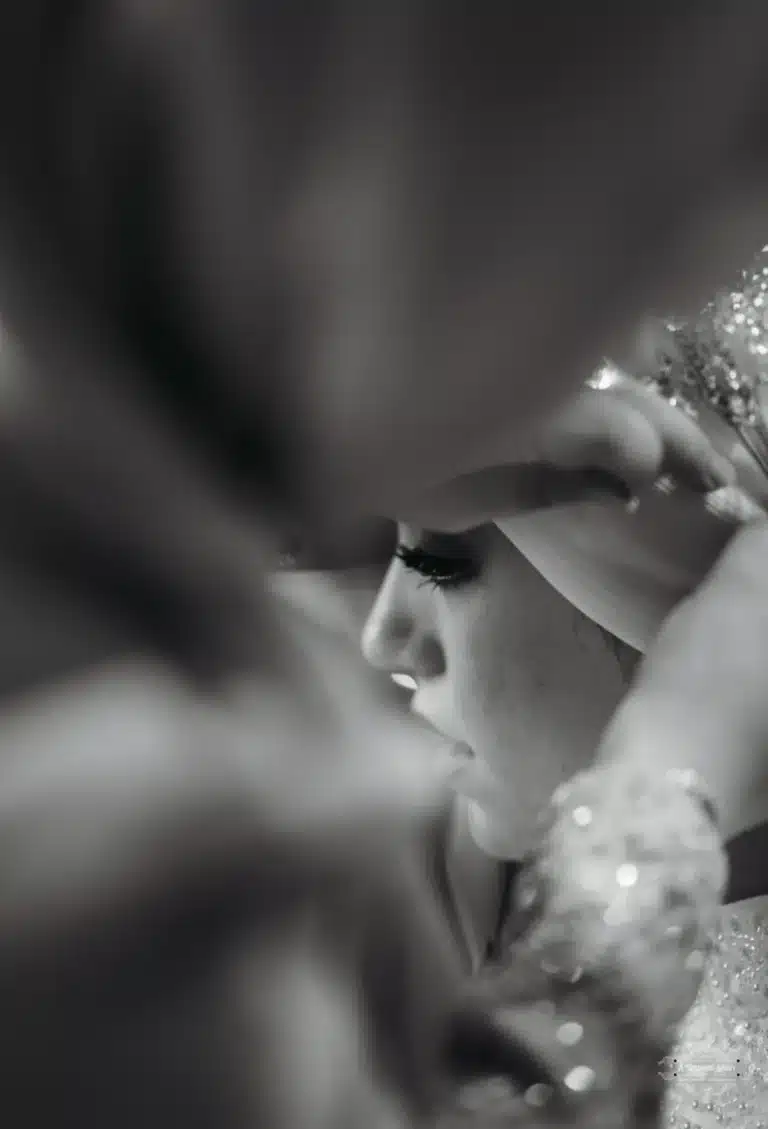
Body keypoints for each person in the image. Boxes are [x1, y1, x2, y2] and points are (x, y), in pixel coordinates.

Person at [1, 4, 768, 1127]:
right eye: (625, 258)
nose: (376, 633)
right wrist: (660, 802)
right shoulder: (103, 782)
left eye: (445, 562)